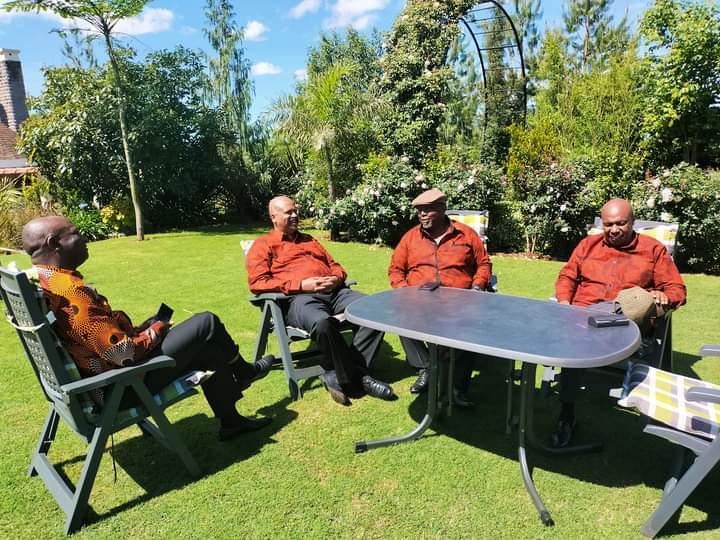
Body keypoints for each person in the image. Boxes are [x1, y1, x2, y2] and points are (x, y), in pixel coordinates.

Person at [22, 216, 275, 442]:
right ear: (54, 243)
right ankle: (244, 371)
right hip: (123, 388)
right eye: (76, 233)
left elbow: (101, 338)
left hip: (108, 382)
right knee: (206, 322)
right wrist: (157, 329)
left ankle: (232, 422)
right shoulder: (71, 294)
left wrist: (138, 329)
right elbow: (122, 353)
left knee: (207, 349)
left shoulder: (49, 282)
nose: (84, 237)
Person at [552, 198, 687, 447]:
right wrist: (562, 303)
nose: (614, 229)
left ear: (632, 222)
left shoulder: (652, 250)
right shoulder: (587, 246)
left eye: (620, 224)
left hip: (625, 323)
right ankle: (567, 413)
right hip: (582, 315)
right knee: (580, 334)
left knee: (633, 303)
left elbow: (677, 289)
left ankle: (566, 415)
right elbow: (567, 276)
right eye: (608, 224)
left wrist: (662, 297)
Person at [246, 195, 396, 405]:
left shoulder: (310, 240)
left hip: (335, 293)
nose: (295, 215)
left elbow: (336, 266)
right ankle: (360, 378)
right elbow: (258, 283)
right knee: (323, 322)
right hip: (300, 300)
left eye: (295, 211)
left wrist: (335, 279)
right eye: (288, 212)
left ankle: (340, 374)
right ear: (274, 217)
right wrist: (300, 285)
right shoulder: (264, 245)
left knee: (375, 310)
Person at [388, 188, 492, 407]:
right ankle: (426, 367)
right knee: (401, 322)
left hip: (459, 300)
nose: (422, 215)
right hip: (420, 299)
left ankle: (458, 388)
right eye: (419, 211)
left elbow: (484, 264)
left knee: (467, 330)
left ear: (442, 210)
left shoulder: (465, 235)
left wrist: (477, 286)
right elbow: (396, 270)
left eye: (428, 210)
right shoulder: (410, 237)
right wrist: (404, 291)